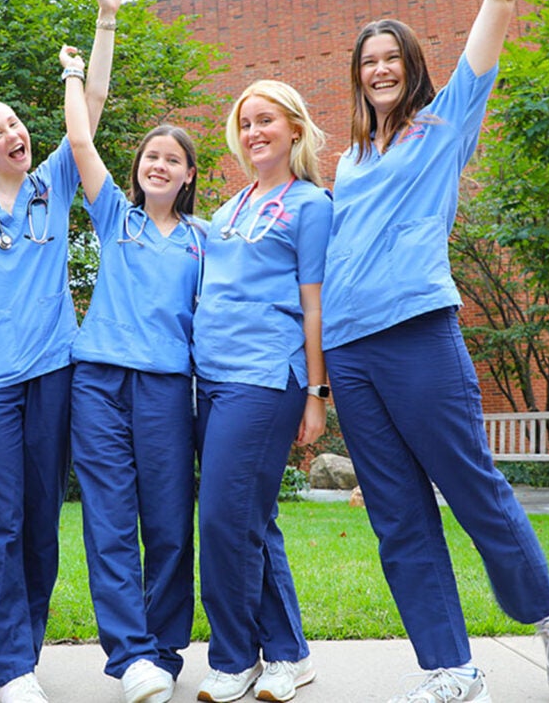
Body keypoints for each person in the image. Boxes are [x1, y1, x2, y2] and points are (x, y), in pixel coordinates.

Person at [319, 0, 549, 701]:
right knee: (399, 516)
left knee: (472, 489)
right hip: (350, 348)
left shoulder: (445, 124)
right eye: (368, 60)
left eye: (391, 58)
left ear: (411, 68)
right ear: (356, 75)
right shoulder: (347, 162)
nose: (379, 69)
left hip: (419, 335)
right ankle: (449, 668)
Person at [0, 0, 129, 703]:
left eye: (15, 122)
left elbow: (97, 100)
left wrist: (104, 18)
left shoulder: (52, 182)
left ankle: (22, 649)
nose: (12, 133)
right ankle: (8, 668)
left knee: (41, 522)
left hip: (53, 371)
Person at [59, 44, 204, 703]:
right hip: (98, 386)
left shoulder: (207, 241)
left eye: (172, 158)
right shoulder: (114, 217)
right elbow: (81, 138)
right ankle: (130, 655)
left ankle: (164, 648)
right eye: (151, 155)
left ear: (188, 174)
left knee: (170, 524)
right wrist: (100, 36)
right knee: (110, 521)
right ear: (138, 168)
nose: (158, 164)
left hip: (168, 390)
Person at [191, 80, 332, 703]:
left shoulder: (312, 206)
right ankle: (288, 654)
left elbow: (315, 303)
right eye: (245, 123)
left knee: (223, 518)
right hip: (211, 378)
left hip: (267, 377)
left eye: (266, 120)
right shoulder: (228, 209)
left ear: (294, 129)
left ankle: (233, 659)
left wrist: (315, 393)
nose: (254, 132)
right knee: (252, 518)